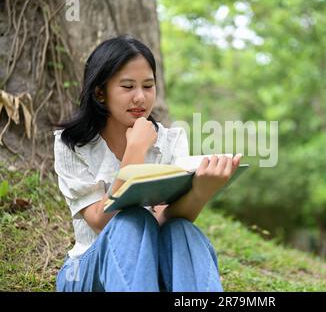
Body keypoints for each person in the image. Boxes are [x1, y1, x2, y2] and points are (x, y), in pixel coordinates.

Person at [53, 35, 242, 292]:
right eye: (128, 87)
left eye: (148, 86)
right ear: (100, 93)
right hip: (87, 272)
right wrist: (136, 150)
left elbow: (164, 218)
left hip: (150, 271)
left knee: (184, 232)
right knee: (132, 220)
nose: (140, 97)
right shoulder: (72, 144)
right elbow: (100, 220)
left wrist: (201, 191)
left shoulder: (170, 141)